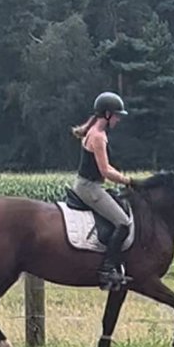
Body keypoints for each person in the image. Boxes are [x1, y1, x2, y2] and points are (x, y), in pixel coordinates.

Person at [70, 91, 136, 290]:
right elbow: (105, 171)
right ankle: (107, 269)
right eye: (116, 115)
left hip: (87, 184)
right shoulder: (98, 137)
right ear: (107, 115)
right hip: (89, 188)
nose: (118, 119)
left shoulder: (94, 132)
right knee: (123, 223)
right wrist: (129, 181)